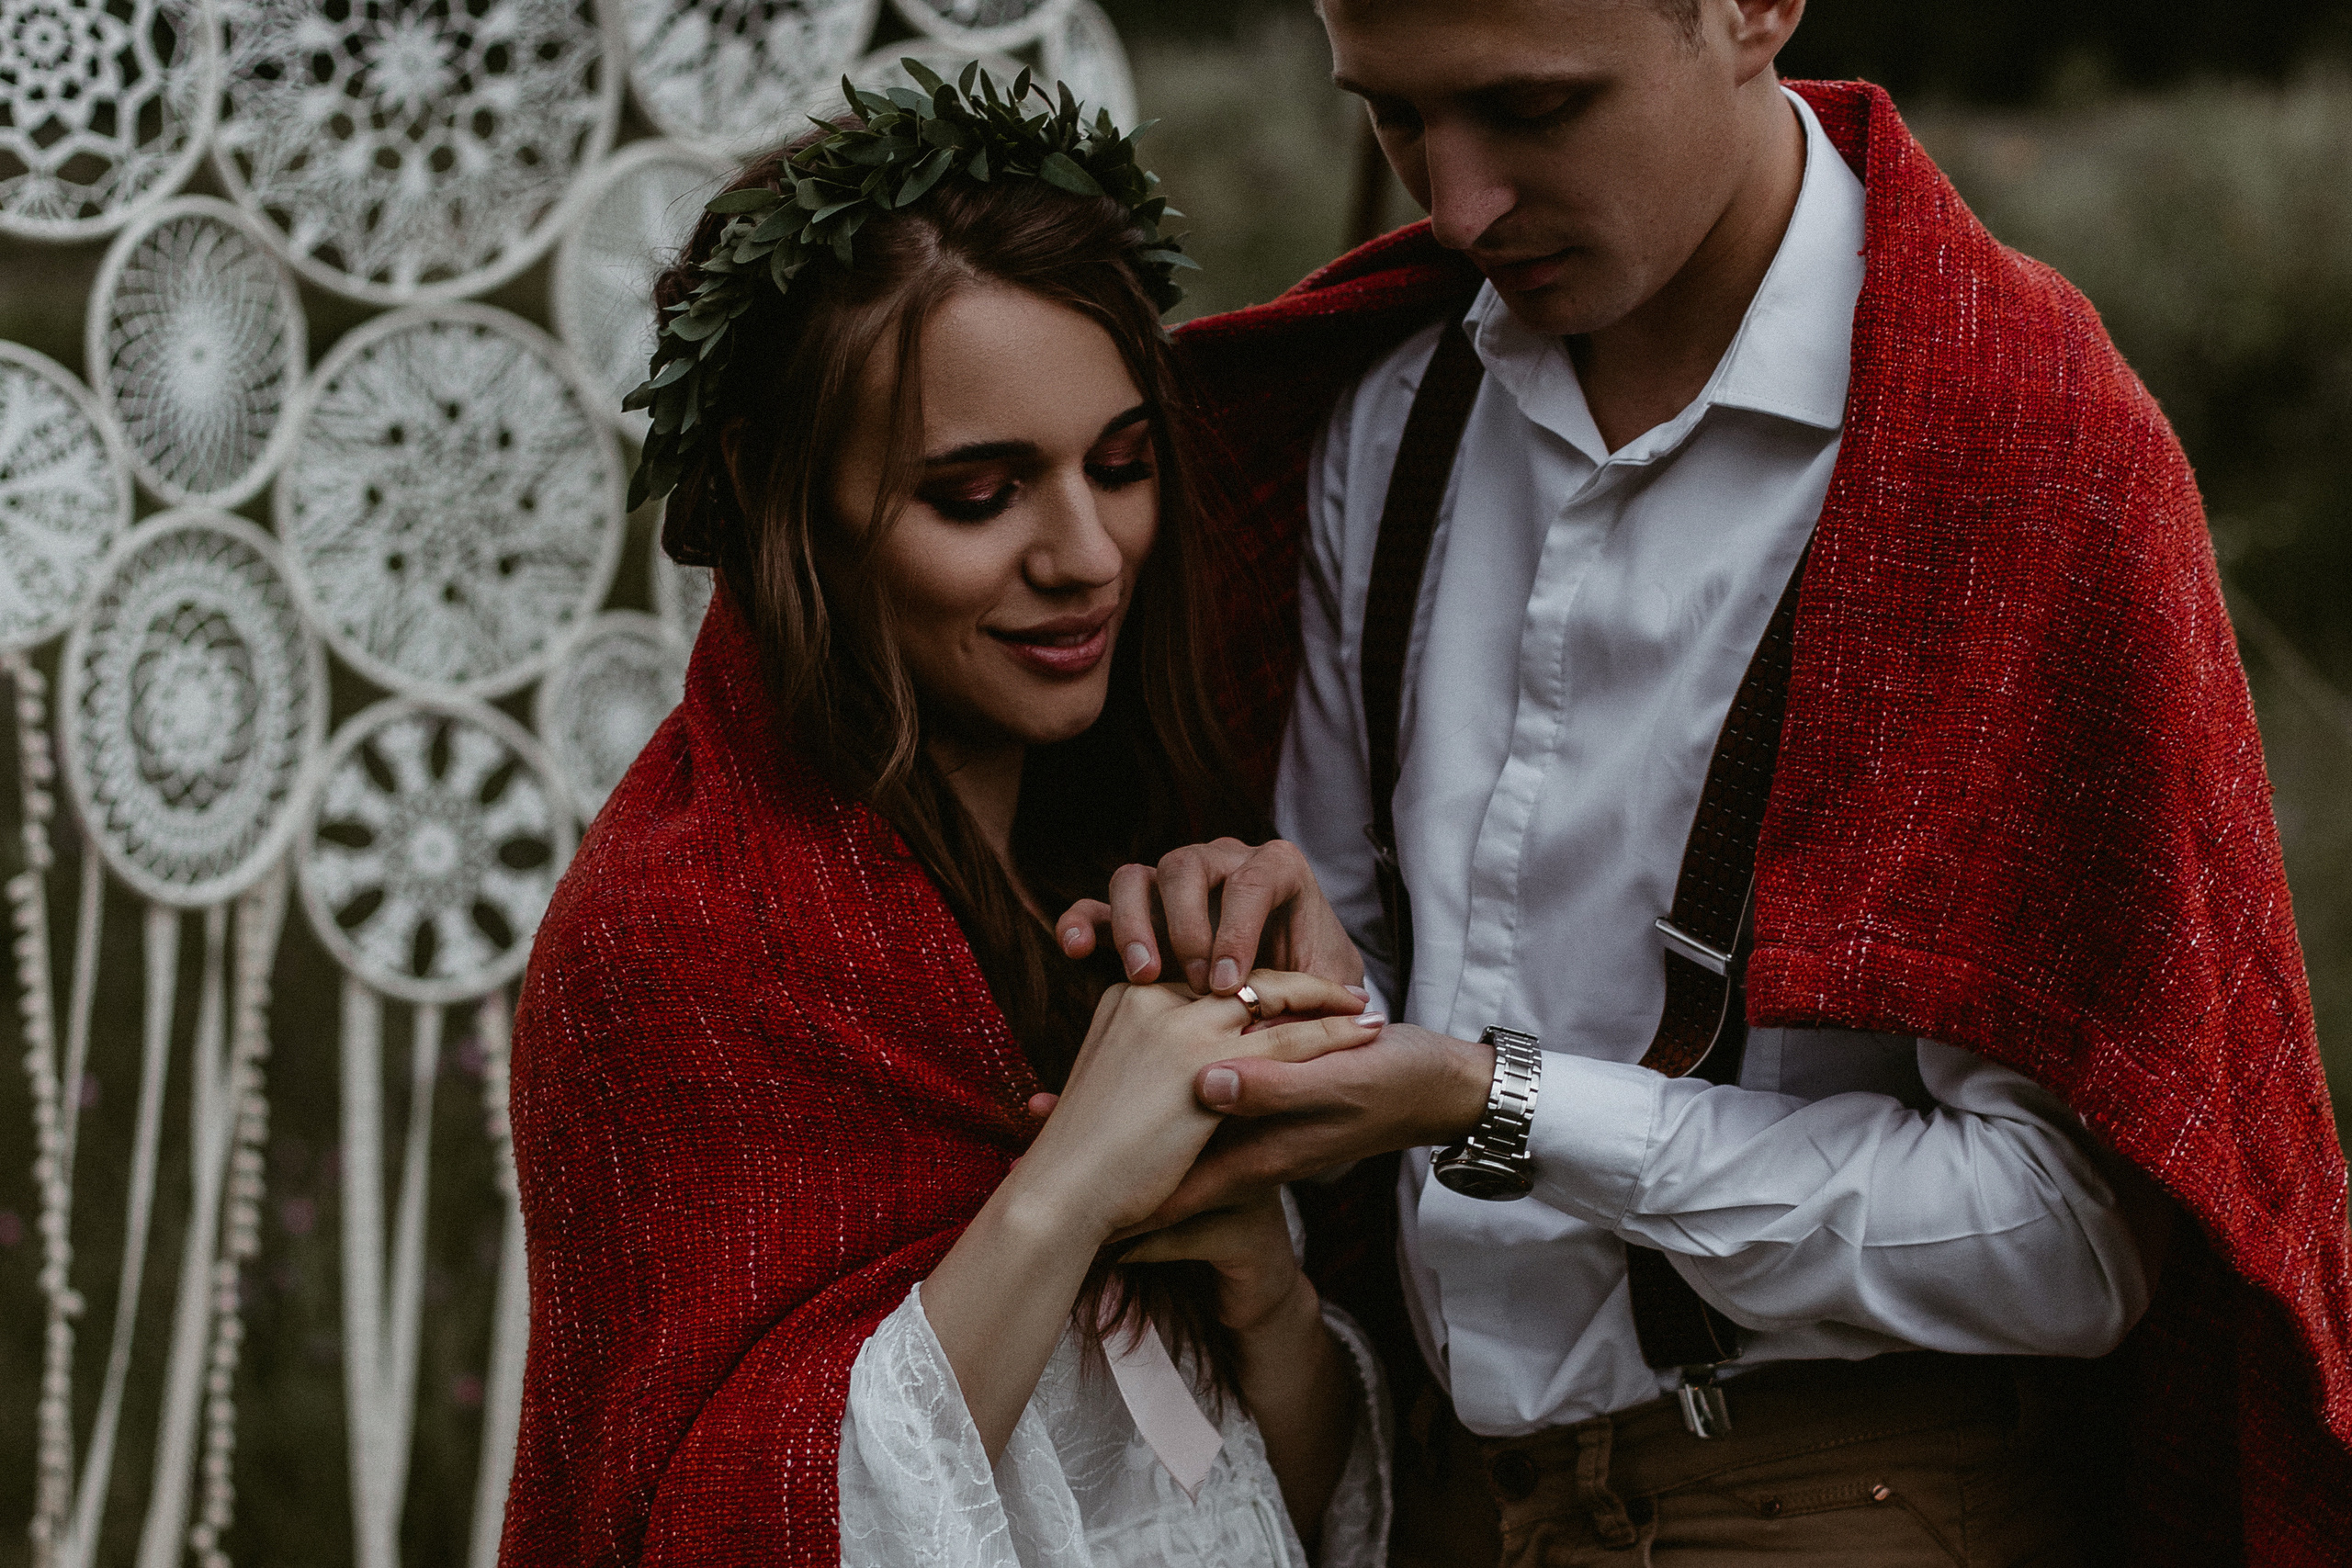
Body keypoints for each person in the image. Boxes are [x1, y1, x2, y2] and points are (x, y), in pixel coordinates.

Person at [1058, 1, 2352, 1563]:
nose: (1456, 203)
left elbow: (2073, 1243)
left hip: (1850, 1499)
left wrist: (1499, 1102)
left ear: (1751, 11)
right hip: (1447, 1493)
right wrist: (1278, 977)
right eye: (1394, 121)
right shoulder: (1391, 419)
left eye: (1533, 111)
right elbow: (1370, 998)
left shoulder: (2012, 450)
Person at [501, 73, 1396, 1568]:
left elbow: (1283, 1511)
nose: (1088, 552)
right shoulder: (681, 945)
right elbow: (731, 1536)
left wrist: (1258, 1277)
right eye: (979, 495)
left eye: (1121, 465)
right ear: (786, 497)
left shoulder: (1123, 877)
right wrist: (1065, 1194)